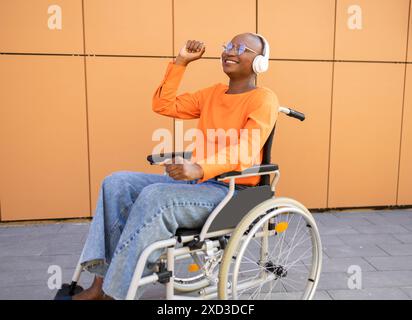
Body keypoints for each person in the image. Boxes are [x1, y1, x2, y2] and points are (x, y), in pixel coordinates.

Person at [71, 32, 279, 300]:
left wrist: (199, 168)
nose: (230, 51)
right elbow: (163, 104)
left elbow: (246, 151)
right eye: (228, 45)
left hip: (229, 191)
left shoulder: (263, 99)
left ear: (260, 62)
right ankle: (99, 285)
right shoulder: (212, 94)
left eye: (241, 48)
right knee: (116, 183)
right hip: (197, 183)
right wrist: (181, 62)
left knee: (156, 197)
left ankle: (115, 293)